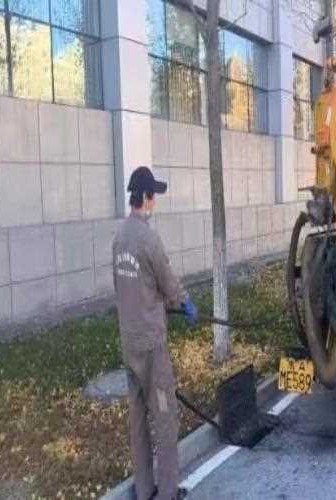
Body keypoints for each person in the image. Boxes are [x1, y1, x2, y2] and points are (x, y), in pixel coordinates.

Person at [113, 166, 198, 500]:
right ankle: (166, 493)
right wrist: (185, 303)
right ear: (145, 198)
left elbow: (122, 285)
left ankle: (144, 487)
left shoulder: (119, 236)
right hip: (150, 344)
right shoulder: (148, 239)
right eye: (154, 197)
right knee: (164, 418)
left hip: (128, 341)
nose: (155, 203)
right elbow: (168, 281)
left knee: (137, 418)